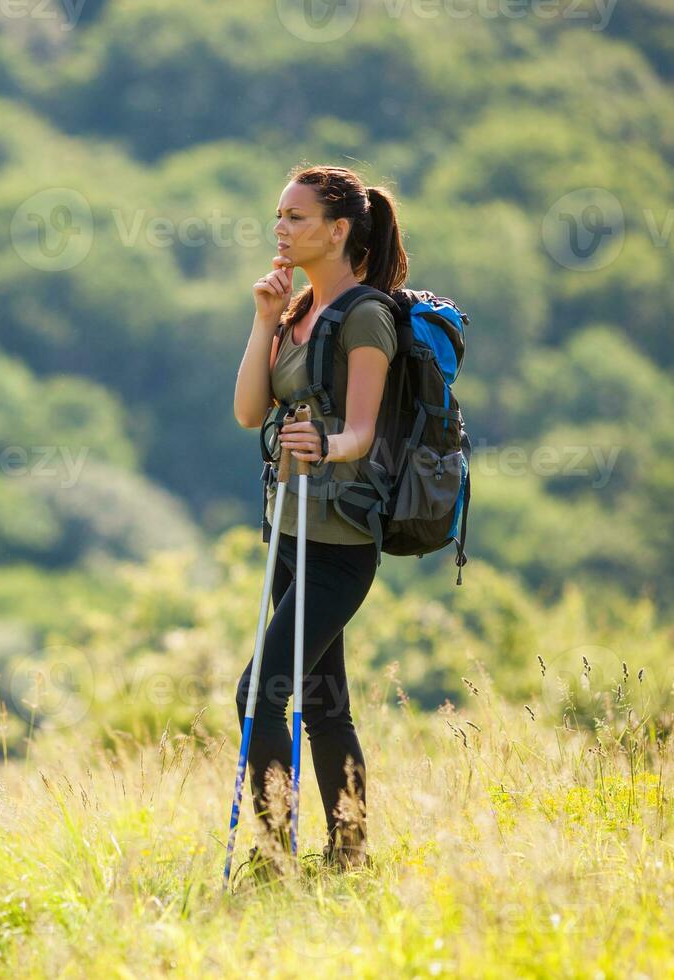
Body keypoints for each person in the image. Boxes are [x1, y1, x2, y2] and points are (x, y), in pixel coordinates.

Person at [230, 163, 407, 875]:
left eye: (296, 218)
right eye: (278, 215)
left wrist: (324, 445)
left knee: (257, 693)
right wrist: (264, 319)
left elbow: (362, 430)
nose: (281, 228)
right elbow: (249, 413)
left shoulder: (367, 315)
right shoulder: (295, 310)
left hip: (340, 543)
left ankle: (274, 856)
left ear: (338, 230)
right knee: (323, 701)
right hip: (290, 531)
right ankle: (349, 856)